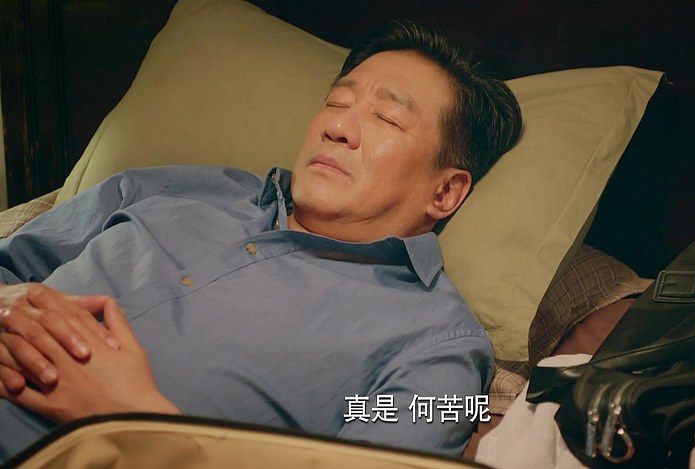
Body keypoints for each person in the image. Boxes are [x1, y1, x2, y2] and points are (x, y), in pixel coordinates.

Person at [0, 19, 521, 462]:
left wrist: (134, 423)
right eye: (337, 101)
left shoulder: (435, 346)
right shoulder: (178, 187)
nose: (338, 127)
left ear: (445, 192)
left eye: (387, 117)